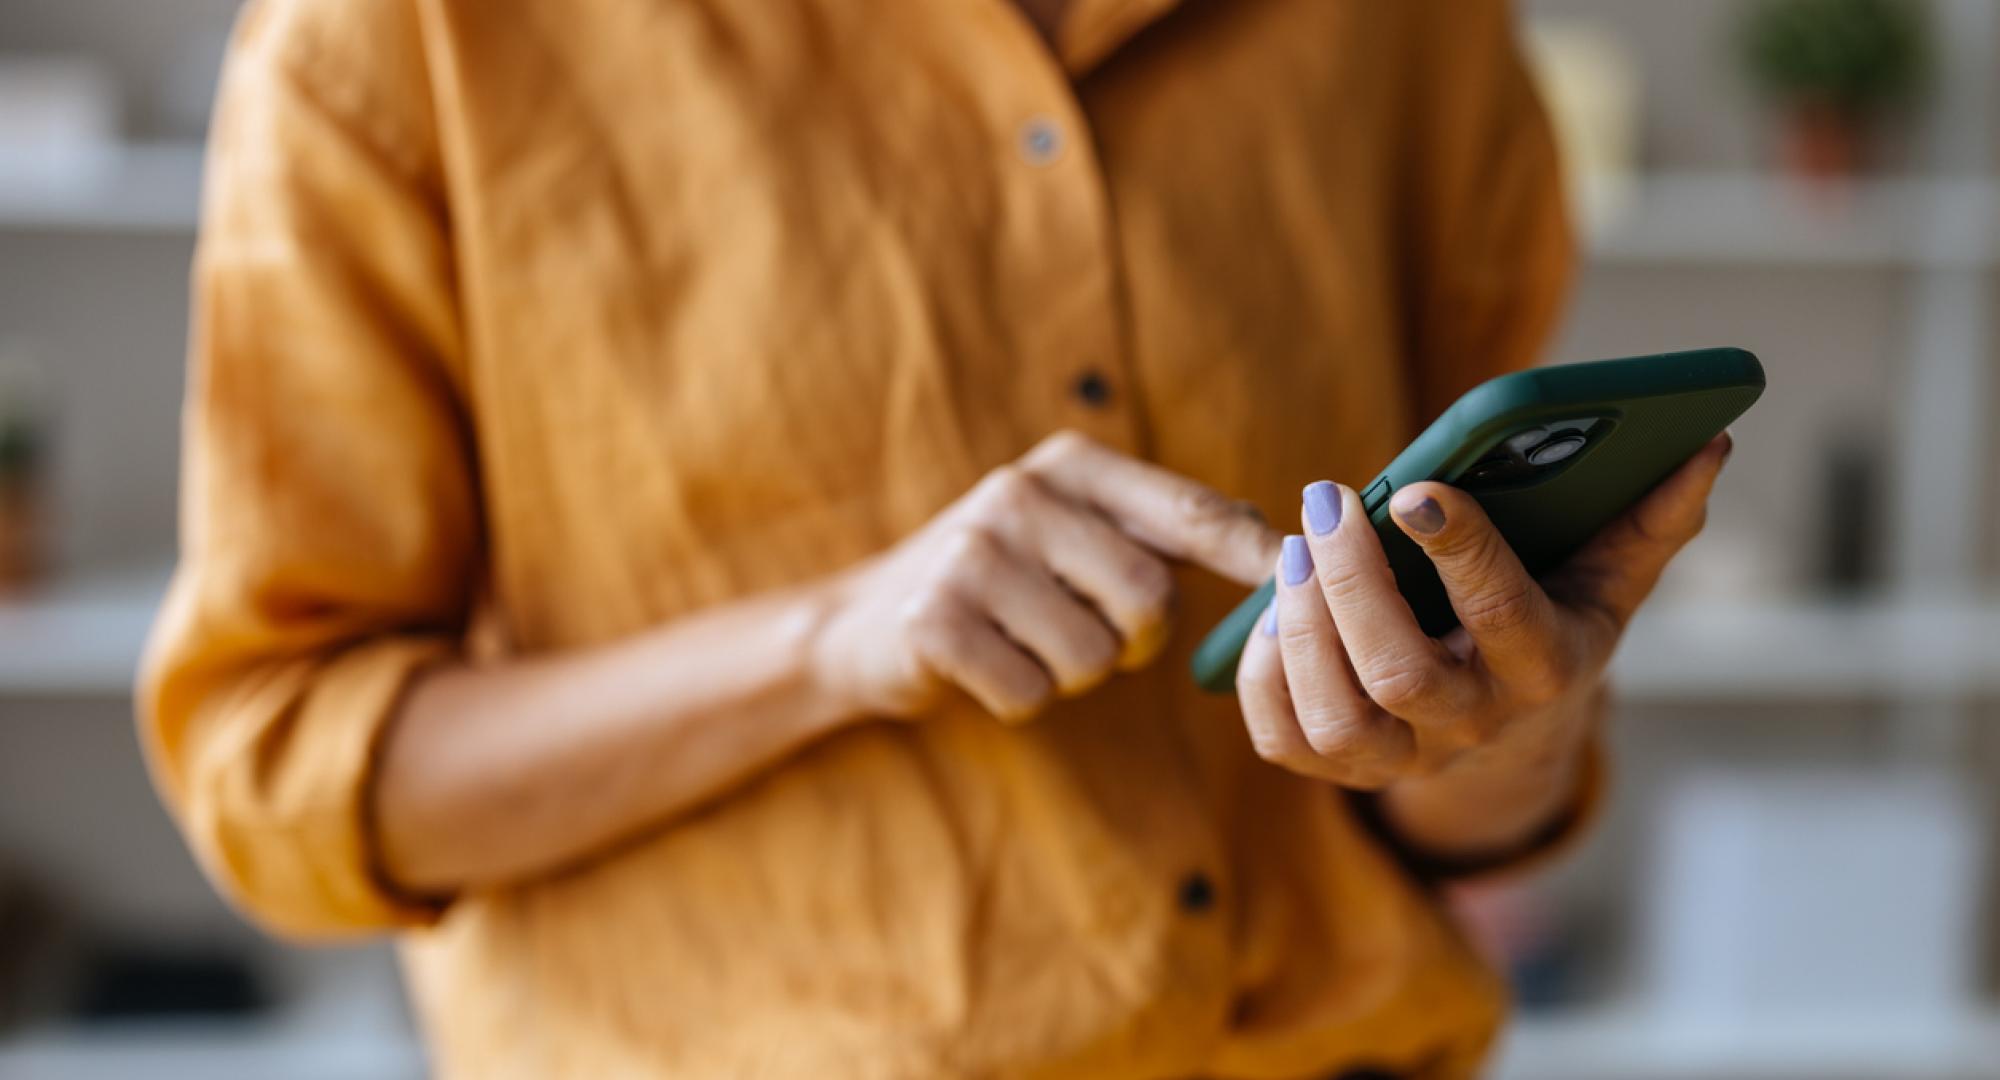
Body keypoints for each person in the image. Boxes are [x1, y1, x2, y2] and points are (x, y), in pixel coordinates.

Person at [138, 0, 1728, 1076]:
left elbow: (1477, 812)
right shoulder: (409, 38)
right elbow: (277, 767)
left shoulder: (1414, 33)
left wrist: (1501, 718)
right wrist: (829, 642)